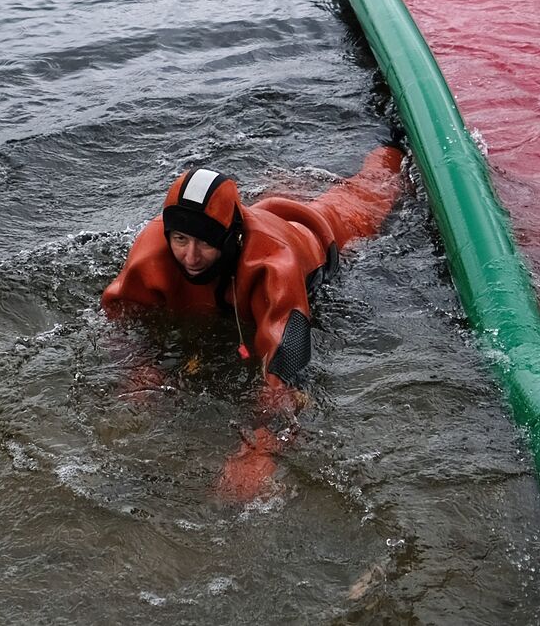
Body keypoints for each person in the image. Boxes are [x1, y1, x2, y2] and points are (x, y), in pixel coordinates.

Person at [102, 144, 405, 498]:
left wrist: (262, 447)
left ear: (232, 239)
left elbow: (288, 364)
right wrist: (139, 371)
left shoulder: (273, 265)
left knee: (374, 189)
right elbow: (122, 322)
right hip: (259, 217)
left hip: (321, 234)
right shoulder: (153, 247)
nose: (190, 257)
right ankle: (282, 187)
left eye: (204, 242)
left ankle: (393, 151)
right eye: (180, 239)